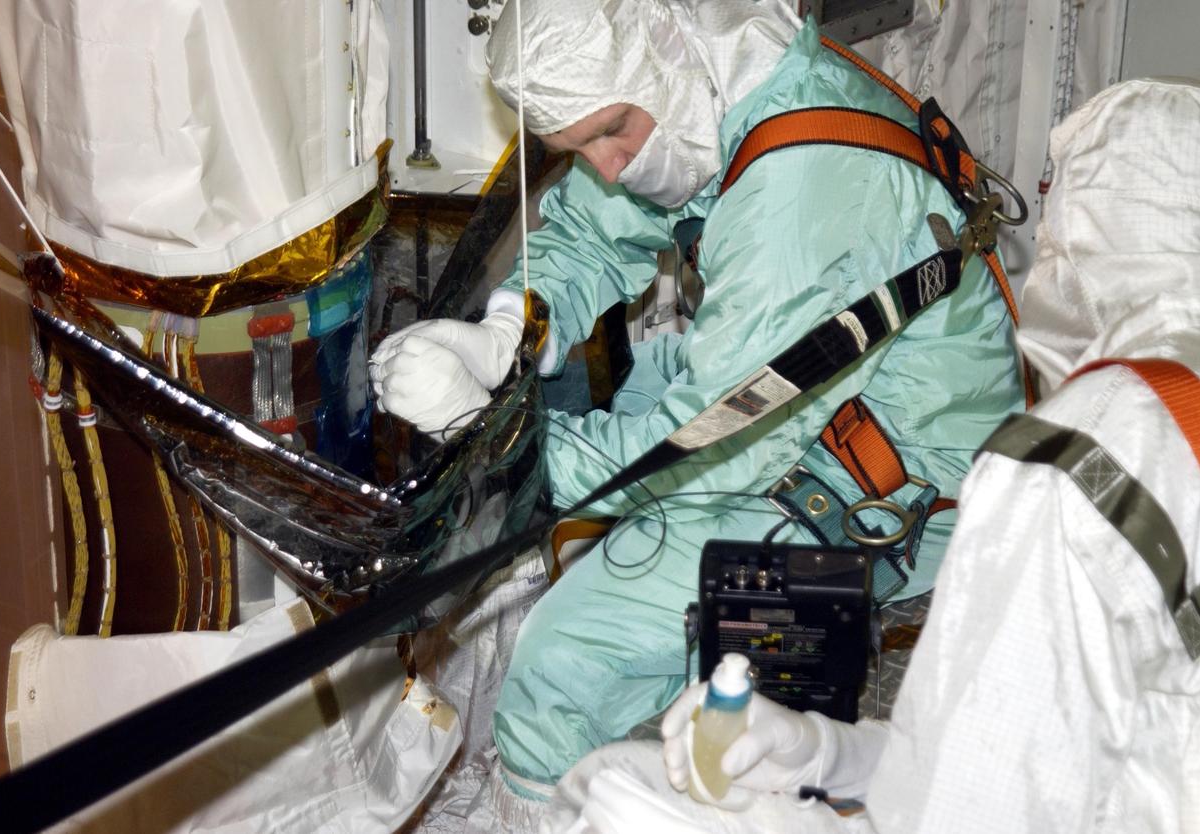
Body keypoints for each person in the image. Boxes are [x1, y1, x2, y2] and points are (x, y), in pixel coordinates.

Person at [369, 0, 1024, 824]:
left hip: (895, 488)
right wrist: (509, 329)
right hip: (831, 410)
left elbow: (704, 442)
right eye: (578, 149)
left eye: (612, 132)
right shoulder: (724, 84)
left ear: (666, 44)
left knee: (559, 664)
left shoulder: (804, 187)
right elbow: (594, 230)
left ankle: (546, 797)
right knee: (620, 388)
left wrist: (507, 447)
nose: (608, 167)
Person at [541, 77, 1200, 834]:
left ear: (1081, 241)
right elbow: (1106, 743)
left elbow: (970, 805)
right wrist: (822, 755)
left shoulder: (1072, 460)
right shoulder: (1176, 416)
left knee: (579, 709)